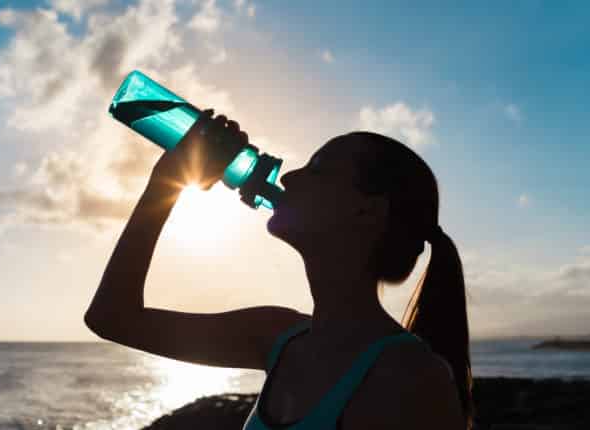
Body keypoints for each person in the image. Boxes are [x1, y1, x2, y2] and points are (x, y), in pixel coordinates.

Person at [85, 109, 472, 429]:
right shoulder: (276, 336)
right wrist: (166, 184)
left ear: (366, 209)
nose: (288, 176)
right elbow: (111, 318)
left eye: (317, 169)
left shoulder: (413, 379)